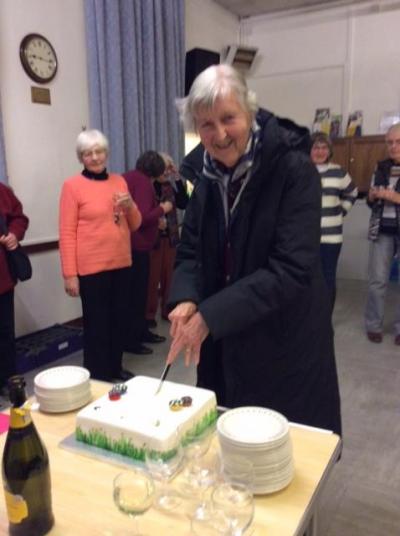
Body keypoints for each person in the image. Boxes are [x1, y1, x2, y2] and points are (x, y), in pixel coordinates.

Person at [166, 64, 341, 435]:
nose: (220, 134)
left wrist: (209, 316)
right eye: (207, 124)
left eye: (228, 118)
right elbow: (190, 249)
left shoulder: (294, 170)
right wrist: (185, 297)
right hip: (226, 339)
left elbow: (290, 269)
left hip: (282, 338)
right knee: (225, 443)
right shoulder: (208, 175)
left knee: (278, 450)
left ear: (250, 112)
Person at [59, 129, 142, 382]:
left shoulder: (119, 181)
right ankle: (97, 375)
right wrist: (70, 274)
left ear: (106, 153)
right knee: (97, 326)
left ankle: (115, 368)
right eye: (88, 153)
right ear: (81, 158)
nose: (94, 157)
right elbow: (66, 232)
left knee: (119, 321)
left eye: (98, 151)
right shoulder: (72, 186)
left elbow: (135, 224)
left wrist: (130, 206)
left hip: (121, 263)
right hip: (91, 269)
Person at [123, 151, 171, 355]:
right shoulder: (143, 182)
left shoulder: (130, 176)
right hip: (138, 246)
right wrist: (162, 209)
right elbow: (141, 217)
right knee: (136, 296)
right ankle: (133, 340)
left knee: (138, 295)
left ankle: (141, 332)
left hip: (132, 245)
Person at [310, 132, 358, 310]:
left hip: (332, 239)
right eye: (316, 147)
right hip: (306, 237)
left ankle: (325, 316)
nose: (320, 151)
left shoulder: (338, 172)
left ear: (329, 151)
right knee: (307, 277)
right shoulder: (301, 171)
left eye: (324, 147)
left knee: (328, 277)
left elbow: (352, 192)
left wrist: (342, 210)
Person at [365, 123, 400, 345]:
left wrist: (392, 196)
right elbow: (372, 201)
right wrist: (372, 196)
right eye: (390, 142)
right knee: (377, 281)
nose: (393, 146)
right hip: (382, 230)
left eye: (398, 142)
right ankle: (373, 325)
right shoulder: (380, 168)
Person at [145, 153, 189, 327]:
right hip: (153, 240)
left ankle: (167, 311)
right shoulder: (149, 186)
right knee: (151, 279)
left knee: (169, 278)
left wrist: (177, 176)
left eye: (167, 167)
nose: (164, 172)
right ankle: (148, 316)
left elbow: (184, 203)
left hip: (170, 239)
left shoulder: (171, 186)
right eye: (161, 168)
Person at [0, 184, 29, 396]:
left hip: (2, 280)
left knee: (5, 332)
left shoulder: (1, 191)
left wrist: (13, 234)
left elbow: (19, 217)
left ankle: (8, 380)